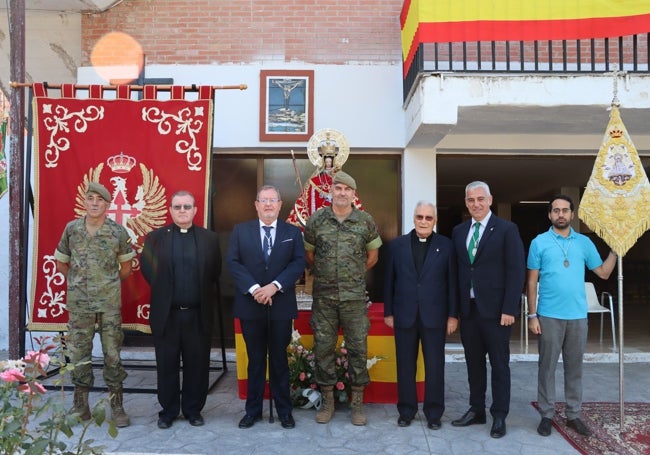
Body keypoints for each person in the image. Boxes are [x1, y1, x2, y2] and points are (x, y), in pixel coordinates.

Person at [527, 195, 617, 438]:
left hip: (577, 316)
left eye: (565, 210)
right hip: (548, 316)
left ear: (572, 214)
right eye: (556, 210)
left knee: (574, 367)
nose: (560, 214)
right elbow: (532, 281)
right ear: (550, 215)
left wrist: (615, 250)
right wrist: (532, 315)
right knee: (546, 367)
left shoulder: (584, 243)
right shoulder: (539, 242)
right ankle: (546, 414)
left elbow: (604, 272)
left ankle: (573, 414)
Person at [303, 171, 382, 426]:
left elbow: (373, 256)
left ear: (353, 193)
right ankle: (328, 402)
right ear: (331, 191)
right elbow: (310, 255)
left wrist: (353, 274)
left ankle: (357, 403)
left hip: (354, 299)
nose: (342, 193)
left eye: (347, 189)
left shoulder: (365, 221)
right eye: (338, 188)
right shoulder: (317, 220)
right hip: (324, 299)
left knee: (358, 349)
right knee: (323, 348)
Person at [54, 181, 135, 428]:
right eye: (91, 198)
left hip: (109, 303)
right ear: (85, 202)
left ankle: (117, 406)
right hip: (79, 304)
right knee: (79, 355)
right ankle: (81, 406)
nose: (95, 203)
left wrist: (105, 283)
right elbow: (61, 263)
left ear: (107, 205)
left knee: (112, 354)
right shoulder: (72, 229)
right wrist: (81, 283)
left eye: (100, 200)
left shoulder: (117, 232)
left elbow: (126, 268)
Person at [227, 185, 306, 430]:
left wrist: (274, 286)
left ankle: (284, 411)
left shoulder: (292, 232)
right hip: (251, 305)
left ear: (281, 204)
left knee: (280, 359)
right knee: (256, 360)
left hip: (280, 305)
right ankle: (253, 411)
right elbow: (233, 262)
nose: (268, 205)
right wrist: (255, 289)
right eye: (264, 200)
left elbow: (298, 263)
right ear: (256, 204)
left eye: (273, 200)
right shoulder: (241, 231)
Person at [451, 181, 525, 438]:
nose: (476, 204)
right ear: (466, 202)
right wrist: (455, 310)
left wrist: (510, 308)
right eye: (471, 200)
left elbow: (516, 272)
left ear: (490, 200)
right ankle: (476, 409)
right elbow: (459, 272)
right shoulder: (460, 232)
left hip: (497, 313)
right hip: (469, 311)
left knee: (499, 365)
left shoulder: (507, 229)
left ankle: (499, 415)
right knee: (474, 365)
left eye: (480, 199)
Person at [141, 190, 221, 429]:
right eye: (178, 207)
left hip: (197, 315)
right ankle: (168, 411)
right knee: (167, 365)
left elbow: (215, 272)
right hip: (168, 315)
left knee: (197, 365)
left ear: (196, 210)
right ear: (171, 210)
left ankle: (193, 410)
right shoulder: (155, 238)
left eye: (187, 206)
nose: (183, 211)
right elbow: (148, 270)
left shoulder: (210, 239)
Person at [384, 201, 458, 430]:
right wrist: (388, 311)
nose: (423, 221)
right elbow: (389, 281)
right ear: (413, 219)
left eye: (428, 218)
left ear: (434, 221)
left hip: (434, 316)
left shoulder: (446, 246)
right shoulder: (397, 245)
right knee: (405, 365)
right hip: (404, 315)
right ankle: (406, 411)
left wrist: (453, 315)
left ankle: (434, 413)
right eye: (419, 217)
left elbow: (453, 283)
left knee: (435, 367)